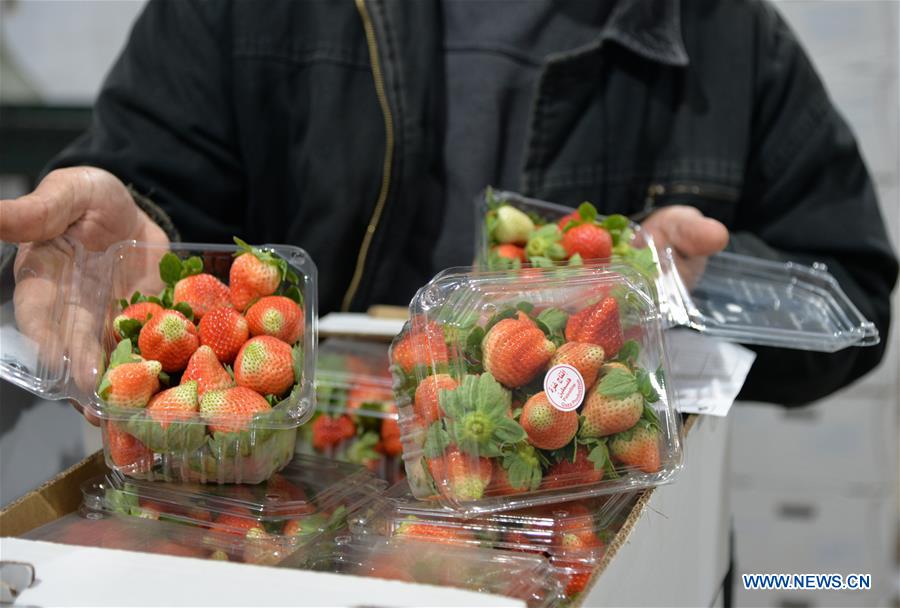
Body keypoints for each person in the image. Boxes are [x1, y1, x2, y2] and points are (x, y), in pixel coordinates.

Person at [0, 0, 896, 414]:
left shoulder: (727, 37)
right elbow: (150, 183)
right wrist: (124, 238)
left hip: (603, 539)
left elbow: (855, 297)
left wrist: (688, 297)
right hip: (282, 525)